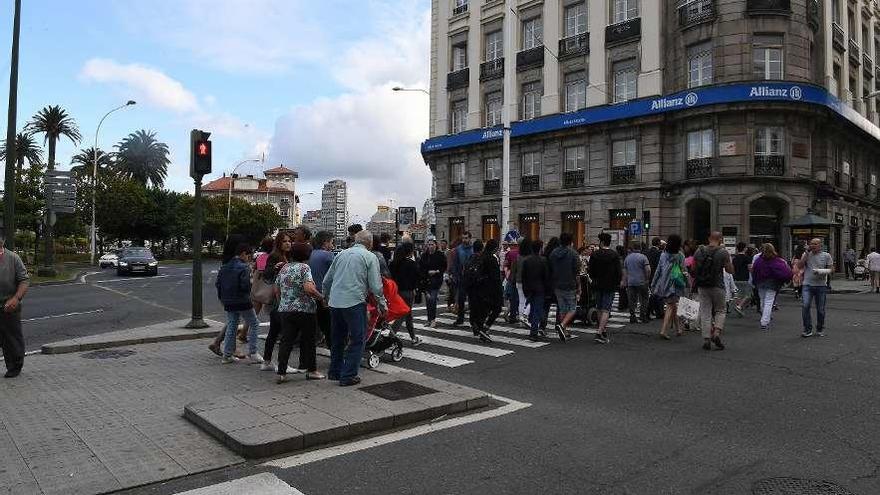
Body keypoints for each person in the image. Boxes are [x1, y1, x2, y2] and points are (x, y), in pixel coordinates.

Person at [323, 230, 387, 386]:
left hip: (335, 302)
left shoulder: (341, 255)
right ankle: (349, 375)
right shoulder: (370, 257)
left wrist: (326, 297)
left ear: (355, 241)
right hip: (354, 302)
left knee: (338, 338)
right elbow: (375, 286)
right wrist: (382, 304)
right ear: (370, 243)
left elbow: (327, 280)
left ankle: (335, 371)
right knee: (358, 339)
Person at [274, 242, 326, 383]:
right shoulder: (304, 267)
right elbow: (308, 288)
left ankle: (281, 372)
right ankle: (311, 370)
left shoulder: (284, 268)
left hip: (285, 310)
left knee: (286, 341)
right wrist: (321, 297)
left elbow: (277, 289)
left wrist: (283, 303)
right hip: (304, 310)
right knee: (309, 340)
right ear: (306, 255)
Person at [217, 241, 264, 364]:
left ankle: (227, 355)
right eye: (249, 256)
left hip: (228, 300)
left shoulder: (224, 266)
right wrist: (251, 284)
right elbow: (245, 285)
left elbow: (218, 283)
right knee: (254, 323)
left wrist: (222, 297)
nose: (250, 259)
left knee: (232, 325)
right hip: (242, 300)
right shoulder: (244, 267)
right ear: (244, 254)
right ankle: (253, 352)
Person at [257, 232, 293, 371]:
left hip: (285, 298)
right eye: (285, 241)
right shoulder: (275, 256)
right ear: (279, 243)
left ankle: (267, 361)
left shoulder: (288, 256)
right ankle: (281, 365)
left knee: (274, 331)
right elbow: (266, 274)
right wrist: (275, 268)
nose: (288, 243)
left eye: (289, 241)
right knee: (282, 332)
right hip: (279, 300)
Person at [692, 232, 734, 351]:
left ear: (709, 238)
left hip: (702, 286)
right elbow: (730, 270)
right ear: (720, 239)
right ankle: (716, 332)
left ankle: (706, 339)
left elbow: (694, 269)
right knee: (720, 310)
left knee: (705, 312)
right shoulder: (723, 252)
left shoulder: (698, 251)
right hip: (718, 285)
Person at [0, 231, 30, 378]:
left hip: (9, 305)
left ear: (3, 242)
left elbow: (24, 280)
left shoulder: (13, 258)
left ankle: (14, 366)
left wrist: (16, 298)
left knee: (11, 338)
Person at [650, 234, 686, 340]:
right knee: (671, 305)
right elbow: (683, 270)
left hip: (664, 283)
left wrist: (653, 283)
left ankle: (678, 328)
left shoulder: (663, 254)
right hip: (675, 283)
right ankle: (664, 330)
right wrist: (687, 280)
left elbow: (658, 270)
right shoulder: (680, 255)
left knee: (672, 304)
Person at [589, 233, 622, 344]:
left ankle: (602, 329)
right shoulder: (614, 255)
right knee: (606, 309)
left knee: (599, 307)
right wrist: (617, 282)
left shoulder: (595, 254)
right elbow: (618, 272)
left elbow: (591, 270)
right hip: (610, 285)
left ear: (601, 242)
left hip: (597, 284)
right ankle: (599, 332)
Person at [751, 243, 792, 331]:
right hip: (772, 283)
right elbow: (784, 272)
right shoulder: (776, 260)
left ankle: (764, 319)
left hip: (760, 282)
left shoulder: (758, 260)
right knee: (769, 302)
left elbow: (754, 271)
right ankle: (764, 321)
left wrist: (754, 282)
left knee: (762, 300)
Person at [549, 232, 580, 341]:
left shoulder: (553, 253)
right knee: (572, 308)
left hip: (557, 284)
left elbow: (551, 268)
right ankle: (562, 326)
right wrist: (579, 286)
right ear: (570, 241)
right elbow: (577, 272)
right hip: (570, 284)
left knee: (562, 308)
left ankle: (564, 330)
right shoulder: (573, 254)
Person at [800, 238, 833, 338]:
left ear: (820, 245)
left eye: (815, 244)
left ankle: (819, 328)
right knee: (805, 306)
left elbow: (832, 269)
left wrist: (821, 271)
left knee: (820, 309)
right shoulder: (806, 254)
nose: (812, 246)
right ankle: (807, 329)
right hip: (807, 284)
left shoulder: (826, 255)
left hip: (821, 286)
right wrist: (805, 254)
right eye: (811, 244)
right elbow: (799, 266)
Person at [390, 242, 421, 346]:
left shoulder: (393, 263)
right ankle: (391, 336)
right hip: (407, 292)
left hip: (395, 291)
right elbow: (417, 278)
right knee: (403, 315)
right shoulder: (411, 264)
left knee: (407, 315)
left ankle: (413, 337)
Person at [463, 240, 494, 342]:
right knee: (482, 308)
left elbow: (465, 273)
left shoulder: (469, 259)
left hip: (470, 287)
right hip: (480, 288)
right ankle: (480, 327)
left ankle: (474, 325)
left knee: (473, 307)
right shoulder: (482, 259)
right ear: (482, 249)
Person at [309, 230, 335, 348]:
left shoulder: (311, 253)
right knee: (329, 325)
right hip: (323, 294)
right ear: (325, 242)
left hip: (310, 292)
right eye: (331, 242)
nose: (332, 245)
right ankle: (332, 347)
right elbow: (335, 275)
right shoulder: (328, 255)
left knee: (315, 322)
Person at [521, 238, 550, 342]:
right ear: (540, 249)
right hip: (539, 288)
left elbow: (523, 276)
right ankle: (533, 332)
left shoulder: (527, 260)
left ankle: (532, 324)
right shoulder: (543, 260)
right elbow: (546, 277)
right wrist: (547, 290)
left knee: (533, 309)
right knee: (537, 309)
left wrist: (525, 289)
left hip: (529, 287)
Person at [419, 239, 447, 327]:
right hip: (426, 281)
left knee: (433, 299)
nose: (430, 246)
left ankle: (433, 319)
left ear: (436, 245)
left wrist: (437, 271)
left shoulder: (440, 255)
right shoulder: (424, 256)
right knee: (428, 301)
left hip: (436, 280)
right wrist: (427, 273)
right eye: (429, 245)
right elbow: (421, 268)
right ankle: (429, 319)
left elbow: (444, 266)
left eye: (432, 244)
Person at [622, 242, 651, 324]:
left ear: (633, 248)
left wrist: (624, 280)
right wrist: (647, 278)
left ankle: (632, 316)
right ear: (640, 248)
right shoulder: (643, 257)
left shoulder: (628, 258)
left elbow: (624, 270)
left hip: (631, 282)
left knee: (632, 300)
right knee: (644, 299)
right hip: (641, 281)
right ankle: (642, 315)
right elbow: (648, 269)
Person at [451, 232, 475, 325]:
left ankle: (473, 320)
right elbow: (455, 264)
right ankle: (460, 318)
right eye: (463, 238)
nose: (464, 240)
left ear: (470, 238)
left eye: (466, 238)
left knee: (473, 300)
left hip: (472, 278)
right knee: (461, 299)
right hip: (461, 278)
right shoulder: (458, 249)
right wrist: (455, 276)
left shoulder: (473, 249)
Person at [252, 237, 275, 317]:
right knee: (272, 315)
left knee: (254, 314)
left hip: (258, 289)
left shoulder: (260, 257)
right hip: (270, 291)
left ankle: (246, 328)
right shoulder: (274, 257)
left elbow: (254, 270)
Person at [514, 238, 534, 328]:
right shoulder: (530, 257)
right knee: (532, 299)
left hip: (518, 280)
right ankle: (525, 316)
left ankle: (521, 320)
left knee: (521, 301)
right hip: (528, 281)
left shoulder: (518, 256)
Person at [502, 238, 520, 323]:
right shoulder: (524, 253)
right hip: (520, 278)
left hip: (511, 278)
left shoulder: (510, 253)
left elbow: (505, 265)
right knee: (517, 298)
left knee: (512, 297)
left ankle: (510, 314)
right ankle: (514, 314)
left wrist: (507, 275)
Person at [731, 242, 751, 315]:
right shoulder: (747, 258)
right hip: (744, 278)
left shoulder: (734, 258)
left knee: (739, 294)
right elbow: (750, 268)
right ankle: (739, 306)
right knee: (748, 295)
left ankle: (739, 307)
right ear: (744, 248)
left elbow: (732, 269)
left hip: (736, 278)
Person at [646, 237, 663, 319]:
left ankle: (655, 311)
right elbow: (659, 266)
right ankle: (653, 311)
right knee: (656, 295)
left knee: (654, 294)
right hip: (656, 276)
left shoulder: (647, 252)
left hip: (648, 275)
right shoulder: (659, 252)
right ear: (658, 243)